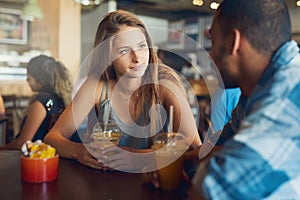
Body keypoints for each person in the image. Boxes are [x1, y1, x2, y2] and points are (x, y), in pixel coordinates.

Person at [148, 0, 300, 199]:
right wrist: (174, 165)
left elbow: (216, 188)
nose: (209, 55)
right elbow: (221, 145)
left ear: (233, 43)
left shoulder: (288, 96)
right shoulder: (258, 88)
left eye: (212, 42)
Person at [44, 10, 201, 172]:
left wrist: (140, 157)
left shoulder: (165, 83)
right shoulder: (97, 86)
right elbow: (52, 138)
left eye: (141, 46)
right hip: (105, 182)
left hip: (152, 182)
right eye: (124, 51)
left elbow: (195, 147)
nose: (137, 57)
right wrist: (80, 152)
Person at [0, 55, 73, 150]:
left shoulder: (42, 101)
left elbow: (22, 143)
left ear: (41, 79)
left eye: (29, 75)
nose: (27, 80)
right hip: (48, 156)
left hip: (32, 157)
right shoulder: (59, 100)